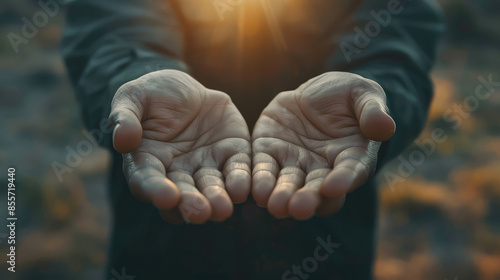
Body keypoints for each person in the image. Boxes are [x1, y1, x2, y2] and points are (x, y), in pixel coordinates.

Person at [61, 0, 444, 279]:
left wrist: (368, 99)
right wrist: (144, 79)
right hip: (163, 242)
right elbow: (116, 27)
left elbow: (397, 39)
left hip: (324, 239)